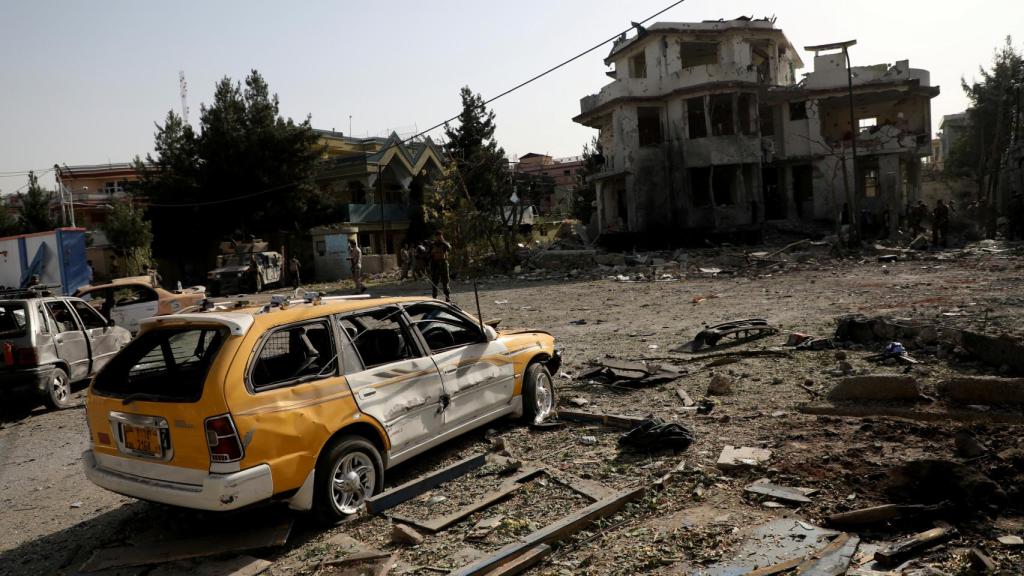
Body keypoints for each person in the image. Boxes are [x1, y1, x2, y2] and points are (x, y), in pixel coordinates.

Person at [428, 231, 451, 302]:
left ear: (441, 236)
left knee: (445, 281)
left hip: (443, 263)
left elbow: (449, 248)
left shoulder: (445, 244)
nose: (438, 238)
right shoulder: (432, 244)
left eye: (440, 236)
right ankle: (434, 297)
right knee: (435, 281)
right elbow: (428, 254)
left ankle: (447, 297)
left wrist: (443, 242)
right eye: (437, 236)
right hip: (435, 264)